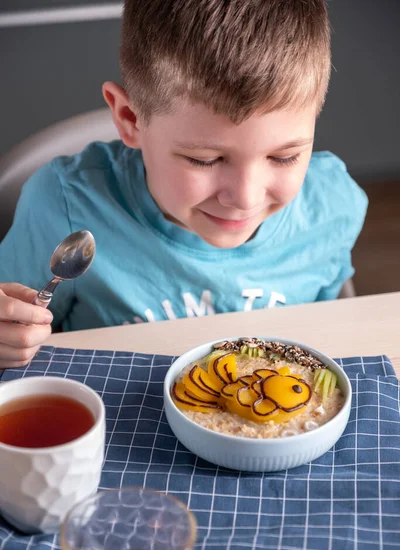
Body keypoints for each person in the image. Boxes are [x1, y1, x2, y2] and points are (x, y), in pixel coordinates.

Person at [0, 0, 368, 369]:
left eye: (284, 157)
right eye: (204, 160)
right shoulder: (64, 206)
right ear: (130, 119)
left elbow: (330, 333)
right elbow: (13, 323)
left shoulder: (334, 206)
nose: (245, 198)